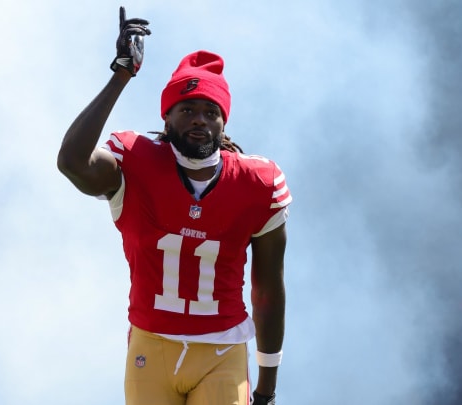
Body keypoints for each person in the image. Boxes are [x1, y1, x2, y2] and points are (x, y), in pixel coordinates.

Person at [57, 7, 291, 405]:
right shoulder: (135, 162)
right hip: (151, 347)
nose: (199, 120)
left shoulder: (258, 181)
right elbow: (72, 162)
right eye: (187, 110)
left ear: (223, 123)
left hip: (221, 351)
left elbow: (267, 290)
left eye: (210, 112)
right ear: (166, 119)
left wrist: (267, 387)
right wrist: (121, 75)